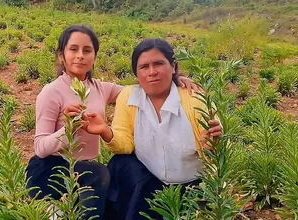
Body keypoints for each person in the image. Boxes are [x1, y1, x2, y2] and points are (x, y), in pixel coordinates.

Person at [25, 25, 198, 220]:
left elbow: (141, 87)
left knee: (106, 181)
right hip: (52, 169)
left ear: (94, 57)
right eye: (73, 49)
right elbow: (40, 148)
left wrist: (175, 78)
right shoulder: (51, 92)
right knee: (99, 174)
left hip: (84, 170)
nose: (80, 55)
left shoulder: (100, 88)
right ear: (61, 55)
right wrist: (68, 129)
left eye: (87, 50)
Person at [80, 38, 223, 220]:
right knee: (120, 164)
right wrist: (105, 131)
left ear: (173, 67)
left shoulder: (194, 98)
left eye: (159, 64)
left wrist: (211, 145)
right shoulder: (129, 97)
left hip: (192, 187)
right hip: (150, 182)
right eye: (144, 67)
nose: (152, 72)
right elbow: (125, 144)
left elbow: (215, 144)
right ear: (136, 73)